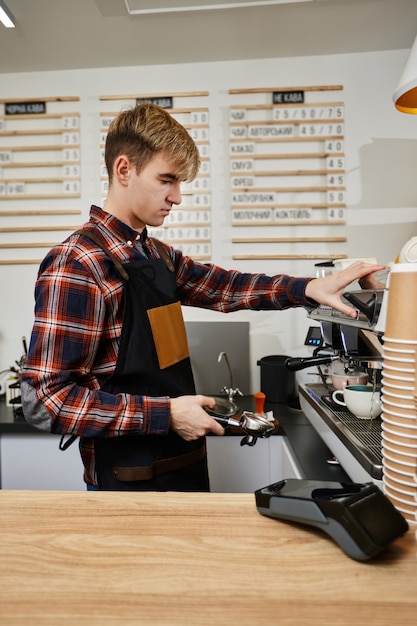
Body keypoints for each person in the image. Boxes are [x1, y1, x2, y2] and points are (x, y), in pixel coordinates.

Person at [21, 103, 386, 492]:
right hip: (126, 486)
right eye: (167, 180)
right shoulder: (78, 263)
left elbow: (225, 287)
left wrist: (308, 289)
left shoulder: (154, 254)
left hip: (185, 466)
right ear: (124, 170)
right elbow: (47, 401)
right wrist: (165, 415)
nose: (177, 197)